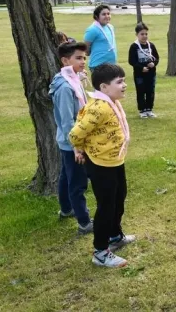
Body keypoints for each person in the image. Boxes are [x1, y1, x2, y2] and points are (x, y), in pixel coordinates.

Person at [69, 63, 136, 268]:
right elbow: (75, 133)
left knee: (119, 198)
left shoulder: (112, 102)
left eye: (124, 80)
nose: (124, 85)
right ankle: (100, 251)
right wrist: (79, 149)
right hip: (100, 164)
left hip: (115, 160)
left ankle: (115, 236)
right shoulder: (99, 107)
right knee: (106, 206)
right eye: (119, 82)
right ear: (104, 87)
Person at [49, 41, 92, 235]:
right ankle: (84, 222)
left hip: (69, 141)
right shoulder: (65, 88)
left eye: (84, 58)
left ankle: (66, 209)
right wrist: (77, 146)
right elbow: (66, 122)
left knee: (67, 176)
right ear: (65, 60)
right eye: (78, 58)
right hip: (71, 143)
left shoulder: (72, 79)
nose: (83, 62)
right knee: (77, 182)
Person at [128, 22, 160, 118]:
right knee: (141, 91)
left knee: (150, 91)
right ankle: (142, 110)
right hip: (139, 74)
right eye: (142, 34)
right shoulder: (134, 46)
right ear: (137, 34)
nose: (144, 36)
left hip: (151, 74)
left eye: (146, 34)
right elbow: (131, 61)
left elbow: (157, 58)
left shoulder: (151, 45)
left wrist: (153, 64)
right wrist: (141, 68)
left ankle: (149, 109)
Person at [84, 5, 118, 70]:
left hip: (111, 64)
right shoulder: (92, 29)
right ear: (97, 16)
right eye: (104, 14)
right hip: (98, 65)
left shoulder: (110, 27)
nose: (107, 16)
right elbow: (86, 48)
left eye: (108, 14)